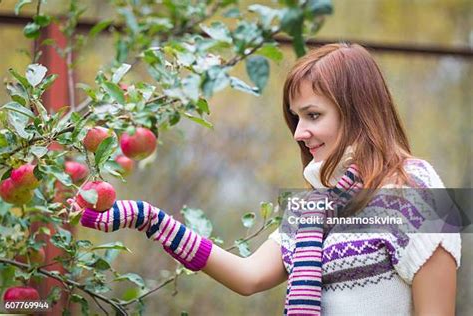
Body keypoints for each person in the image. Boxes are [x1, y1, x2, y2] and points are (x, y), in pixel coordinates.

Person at [75, 43, 461, 315]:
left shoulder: (414, 187)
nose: (298, 133)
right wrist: (147, 218)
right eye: (296, 119)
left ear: (356, 110)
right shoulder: (315, 207)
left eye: (312, 115)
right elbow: (249, 276)